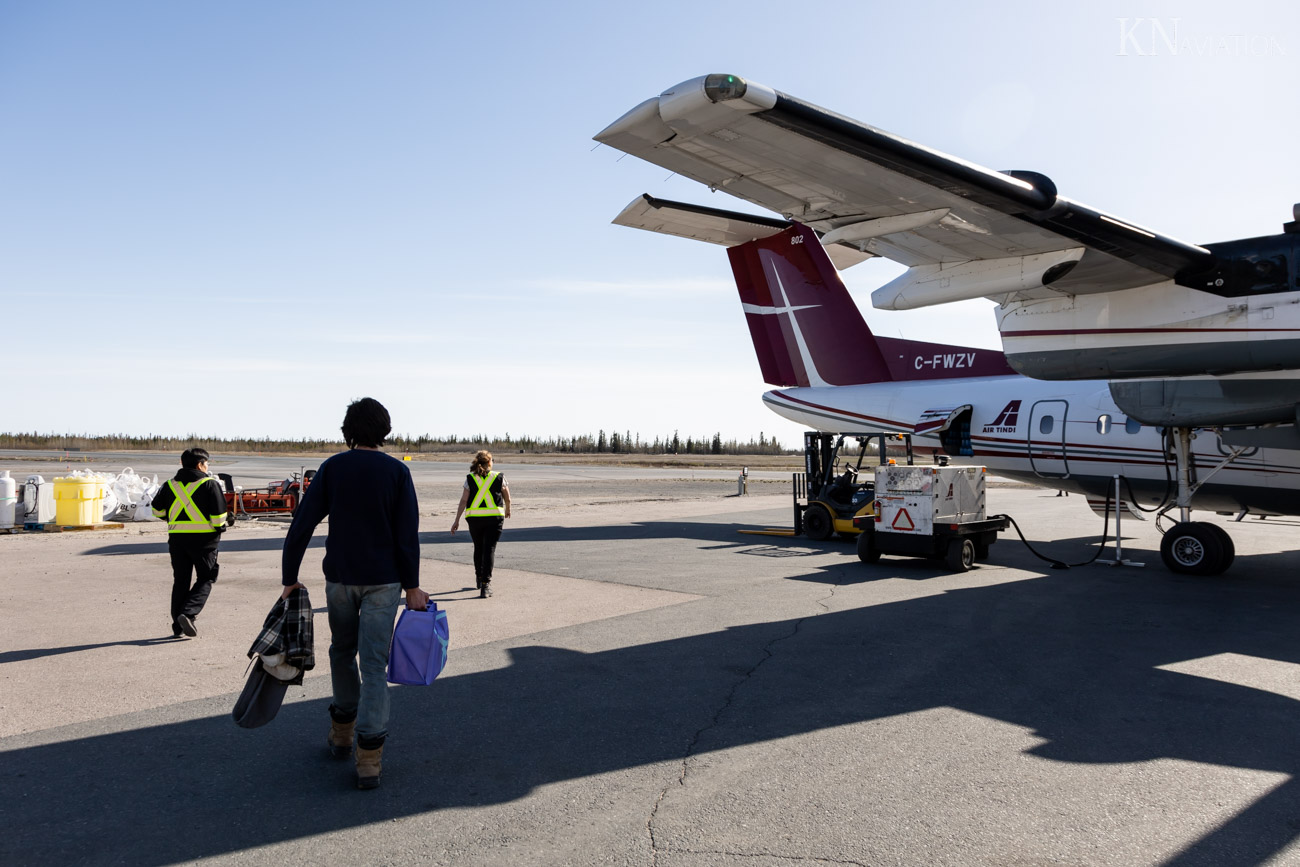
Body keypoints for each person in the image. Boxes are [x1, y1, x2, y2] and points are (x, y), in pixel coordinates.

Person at [279, 397, 430, 790]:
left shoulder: (332, 468)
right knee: (374, 665)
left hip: (341, 581)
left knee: (341, 652)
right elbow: (406, 537)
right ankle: (369, 758)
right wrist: (412, 586)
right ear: (384, 430)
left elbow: (302, 526)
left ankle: (342, 733)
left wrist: (289, 578)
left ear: (348, 431)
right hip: (384, 582)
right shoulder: (397, 473)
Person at [150, 447, 227, 638]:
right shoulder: (210, 484)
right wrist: (222, 525)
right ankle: (188, 613)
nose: (207, 467)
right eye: (206, 463)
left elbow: (156, 511)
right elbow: (218, 518)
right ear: (201, 464)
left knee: (181, 581)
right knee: (206, 578)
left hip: (177, 541)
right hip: (204, 542)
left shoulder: (169, 485)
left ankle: (178, 626)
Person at [450, 450, 511, 598]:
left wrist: (456, 520)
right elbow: (507, 498)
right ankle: (486, 585)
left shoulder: (470, 478)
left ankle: (478, 578)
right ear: (490, 462)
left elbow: (464, 500)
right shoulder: (499, 477)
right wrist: (508, 510)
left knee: (478, 548)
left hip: (475, 519)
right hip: (494, 518)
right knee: (489, 549)